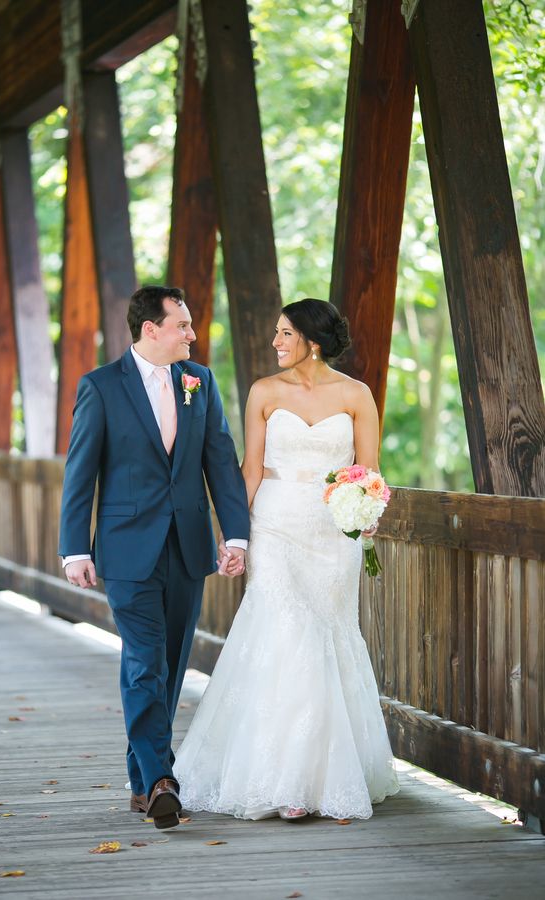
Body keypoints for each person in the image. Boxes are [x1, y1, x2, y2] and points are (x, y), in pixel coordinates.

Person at [174, 298, 399, 821]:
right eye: (276, 333)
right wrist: (234, 537)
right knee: (285, 631)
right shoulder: (264, 392)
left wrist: (363, 513)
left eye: (284, 334)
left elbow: (368, 473)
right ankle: (284, 781)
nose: (275, 342)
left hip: (331, 530)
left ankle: (325, 776)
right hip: (273, 523)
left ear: (312, 341)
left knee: (328, 634)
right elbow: (250, 469)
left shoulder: (356, 395)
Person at [58, 285, 250, 830]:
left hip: (187, 548)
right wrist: (75, 547)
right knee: (145, 661)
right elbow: (81, 471)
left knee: (169, 664)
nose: (192, 334)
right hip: (125, 549)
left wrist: (235, 535)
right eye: (182, 325)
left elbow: (220, 461)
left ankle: (143, 780)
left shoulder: (200, 382)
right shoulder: (100, 387)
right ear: (151, 330)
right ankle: (163, 778)